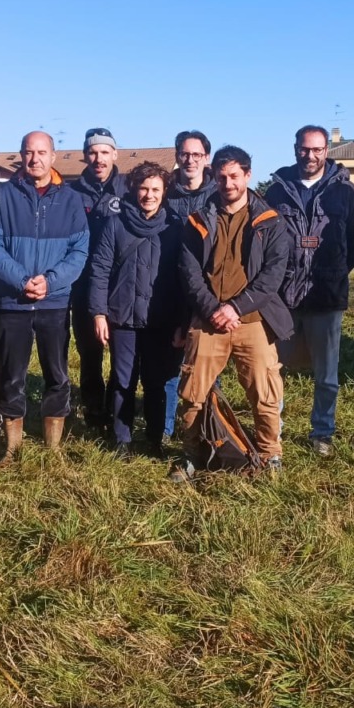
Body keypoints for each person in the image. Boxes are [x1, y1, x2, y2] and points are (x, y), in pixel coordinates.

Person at [174, 145, 291, 481]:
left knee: (265, 394)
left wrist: (236, 307)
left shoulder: (270, 221)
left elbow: (273, 274)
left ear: (248, 175)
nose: (228, 183)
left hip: (253, 320)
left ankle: (269, 456)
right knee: (193, 393)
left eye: (234, 176)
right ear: (214, 176)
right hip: (208, 320)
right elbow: (189, 273)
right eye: (222, 177)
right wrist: (214, 309)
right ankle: (193, 454)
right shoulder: (197, 221)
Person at [0, 131, 90, 459]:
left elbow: (79, 250)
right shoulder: (3, 196)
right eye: (29, 152)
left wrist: (50, 282)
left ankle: (52, 447)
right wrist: (21, 280)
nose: (35, 159)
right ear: (21, 155)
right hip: (13, 301)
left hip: (54, 302)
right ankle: (13, 448)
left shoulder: (70, 199)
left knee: (57, 374)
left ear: (53, 156)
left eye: (42, 152)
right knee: (12, 376)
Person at [264, 124, 354, 455]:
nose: (310, 155)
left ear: (326, 151)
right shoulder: (277, 191)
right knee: (273, 368)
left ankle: (322, 433)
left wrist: (334, 271)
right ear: (295, 148)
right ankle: (272, 431)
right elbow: (263, 241)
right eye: (304, 149)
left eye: (317, 149)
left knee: (326, 374)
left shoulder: (345, 192)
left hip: (326, 296)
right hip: (283, 296)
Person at [87, 162, 183, 457]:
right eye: (143, 188)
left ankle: (154, 439)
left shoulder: (174, 228)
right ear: (133, 189)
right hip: (123, 317)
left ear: (164, 192)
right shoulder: (115, 224)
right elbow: (100, 269)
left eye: (155, 189)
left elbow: (182, 277)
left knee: (156, 381)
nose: (149, 195)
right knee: (123, 380)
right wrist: (99, 313)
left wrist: (182, 320)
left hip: (160, 318)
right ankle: (121, 439)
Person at [68, 127, 128, 431]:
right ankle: (94, 413)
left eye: (104, 152)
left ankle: (118, 413)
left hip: (120, 284)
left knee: (121, 354)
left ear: (115, 154)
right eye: (92, 152)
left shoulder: (129, 188)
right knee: (89, 353)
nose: (99, 158)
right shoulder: (71, 193)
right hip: (82, 285)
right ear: (84, 156)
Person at [162, 130, 217, 438]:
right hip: (169, 288)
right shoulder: (165, 193)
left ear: (206, 158)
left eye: (197, 155)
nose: (190, 160)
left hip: (206, 291)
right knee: (170, 363)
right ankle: (167, 428)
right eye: (185, 154)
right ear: (177, 156)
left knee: (208, 365)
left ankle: (208, 428)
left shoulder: (217, 194)